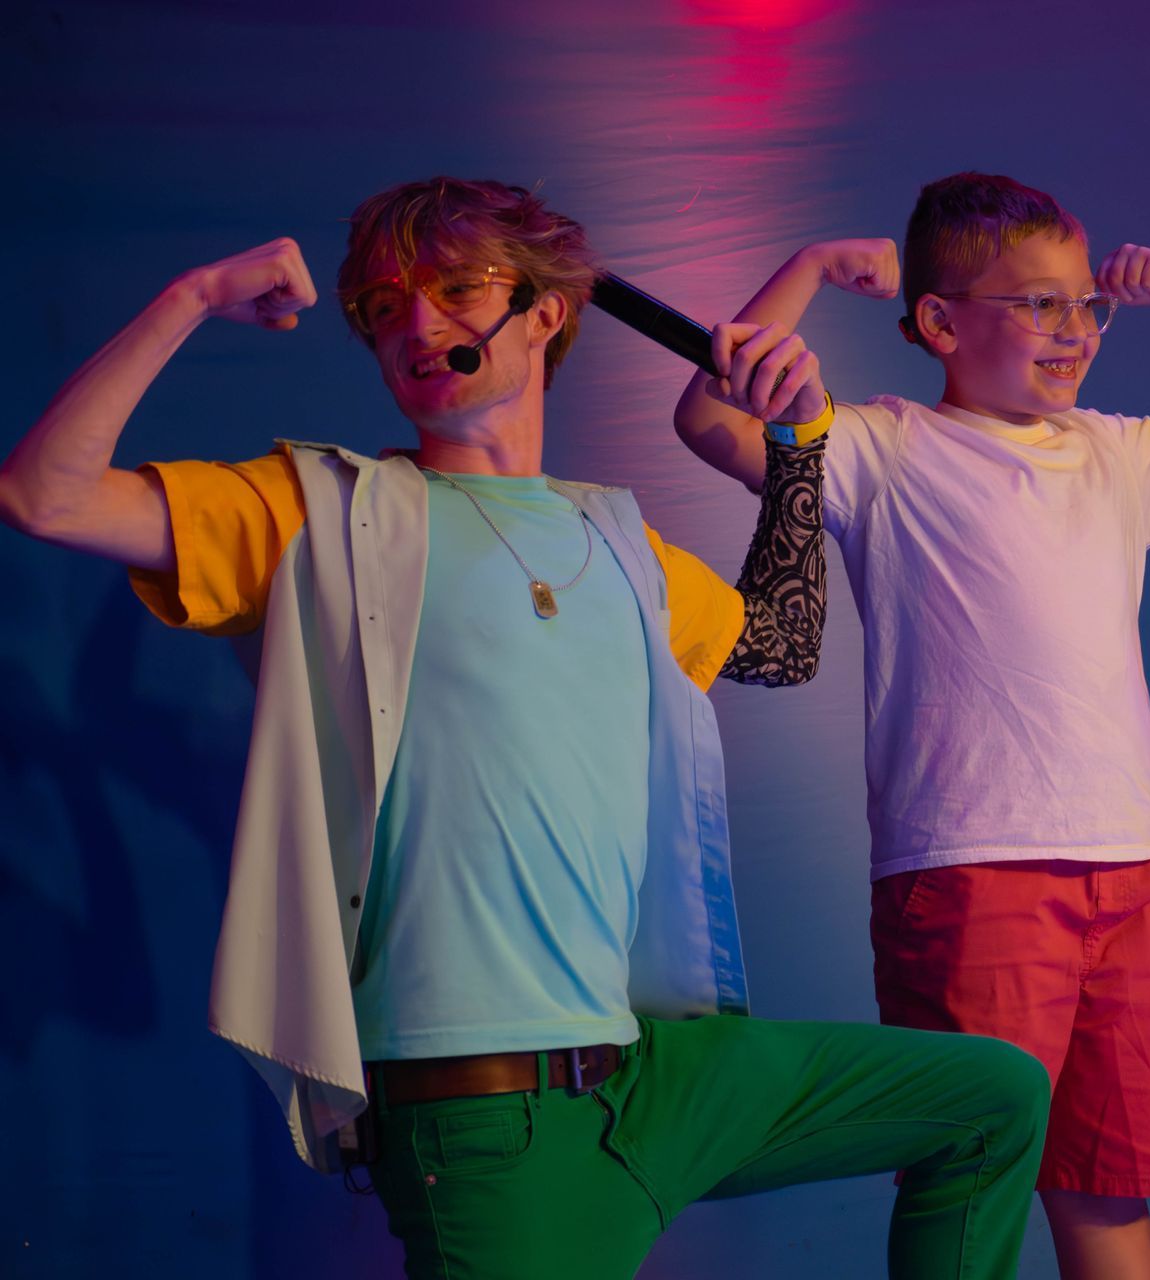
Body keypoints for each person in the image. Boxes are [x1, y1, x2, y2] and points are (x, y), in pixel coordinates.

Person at [0, 176, 1049, 1279]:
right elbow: (45, 495)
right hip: (487, 1119)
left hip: (655, 1076)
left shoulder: (623, 543)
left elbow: (780, 642)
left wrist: (798, 444)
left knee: (992, 1098)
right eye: (385, 304)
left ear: (544, 312)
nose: (416, 323)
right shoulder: (315, 510)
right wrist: (191, 296)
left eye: (456, 289)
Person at [673, 171, 1150, 1280]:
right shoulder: (881, 450)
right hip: (972, 866)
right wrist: (802, 272)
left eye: (1086, 304)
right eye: (1038, 303)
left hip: (1135, 863)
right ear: (940, 323)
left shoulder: (1113, 452)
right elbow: (710, 414)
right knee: (972, 1171)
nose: (1076, 329)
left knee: (1107, 1184)